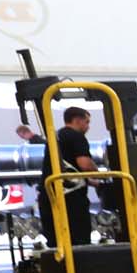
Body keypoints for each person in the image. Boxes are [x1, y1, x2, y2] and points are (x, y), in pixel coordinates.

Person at [38, 105, 98, 248]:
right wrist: (98, 173)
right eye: (87, 122)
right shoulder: (77, 137)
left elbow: (66, 168)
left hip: (50, 195)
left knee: (56, 241)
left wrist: (88, 181)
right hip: (71, 198)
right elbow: (84, 164)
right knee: (79, 240)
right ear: (77, 120)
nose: (88, 127)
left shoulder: (55, 137)